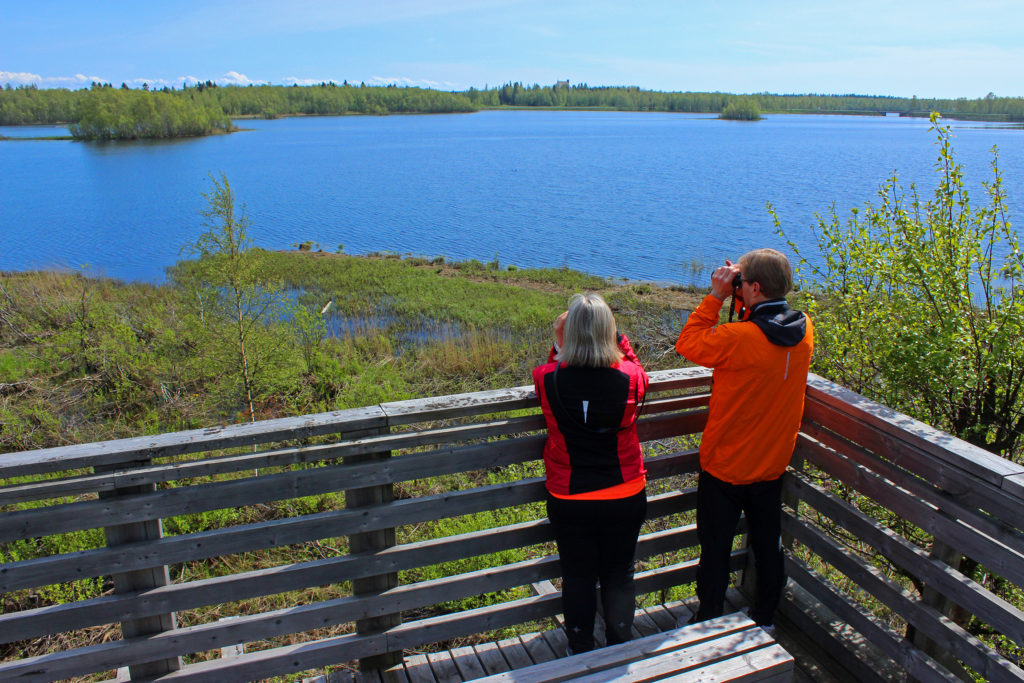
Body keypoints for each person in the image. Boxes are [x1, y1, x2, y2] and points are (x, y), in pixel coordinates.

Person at [675, 248, 813, 631]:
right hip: (771, 466)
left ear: (752, 287)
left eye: (741, 281)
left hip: (725, 466)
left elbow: (688, 343)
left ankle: (708, 617)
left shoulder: (739, 337)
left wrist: (718, 296)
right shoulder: (804, 330)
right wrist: (743, 296)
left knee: (715, 551)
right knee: (768, 548)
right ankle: (765, 618)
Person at [533, 292, 649, 654]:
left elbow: (554, 369)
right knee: (619, 573)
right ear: (608, 331)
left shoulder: (546, 379)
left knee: (578, 574)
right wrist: (619, 340)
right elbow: (637, 368)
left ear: (570, 334)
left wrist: (558, 343)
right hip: (625, 492)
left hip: (570, 496)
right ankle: (618, 644)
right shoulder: (631, 378)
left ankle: (580, 646)